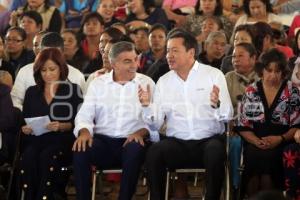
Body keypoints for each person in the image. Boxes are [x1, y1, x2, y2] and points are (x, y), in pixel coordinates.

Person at [139, 29, 233, 200]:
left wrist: (216, 104)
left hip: (208, 141)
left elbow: (227, 116)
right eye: (168, 51)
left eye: (175, 50)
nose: (169, 55)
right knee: (154, 152)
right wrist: (147, 107)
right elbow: (156, 123)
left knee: (215, 152)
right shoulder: (164, 81)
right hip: (177, 144)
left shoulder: (213, 75)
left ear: (191, 52)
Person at [72, 41, 155, 200]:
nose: (134, 65)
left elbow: (155, 120)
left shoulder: (147, 83)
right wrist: (84, 132)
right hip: (103, 141)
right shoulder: (98, 83)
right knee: (80, 147)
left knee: (135, 148)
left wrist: (141, 131)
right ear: (114, 63)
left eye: (135, 59)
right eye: (127, 61)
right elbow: (85, 114)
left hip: (132, 140)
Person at [236, 48, 300, 197]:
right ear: (262, 70)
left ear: (283, 72)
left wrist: (280, 139)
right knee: (253, 156)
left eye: (277, 71)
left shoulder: (293, 92)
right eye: (269, 70)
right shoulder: (251, 91)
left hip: (282, 142)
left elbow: (296, 125)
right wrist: (256, 141)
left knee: (269, 160)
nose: (272, 75)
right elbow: (242, 125)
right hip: (255, 142)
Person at [20, 48, 83, 200]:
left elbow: (80, 121)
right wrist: (25, 128)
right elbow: (25, 120)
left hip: (62, 140)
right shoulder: (31, 92)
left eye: (52, 69)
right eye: (43, 70)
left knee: (48, 156)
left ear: (61, 68)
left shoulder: (73, 89)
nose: (48, 74)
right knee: (28, 156)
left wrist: (62, 126)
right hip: (36, 139)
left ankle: (49, 196)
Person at [10, 32, 85, 111]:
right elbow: (15, 101)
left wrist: (69, 123)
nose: (50, 57)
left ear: (63, 53)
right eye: (46, 53)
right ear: (40, 52)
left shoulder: (77, 75)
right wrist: (31, 117)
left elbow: (82, 108)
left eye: (56, 54)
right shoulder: (25, 72)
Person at [225, 43, 259, 194]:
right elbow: (224, 107)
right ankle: (235, 186)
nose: (235, 60)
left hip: (258, 127)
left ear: (253, 59)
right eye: (233, 56)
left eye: (240, 56)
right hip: (233, 128)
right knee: (235, 142)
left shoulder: (262, 77)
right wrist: (232, 121)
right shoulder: (228, 78)